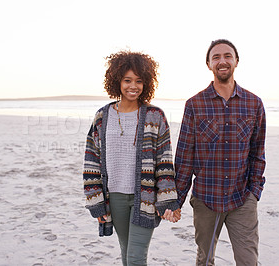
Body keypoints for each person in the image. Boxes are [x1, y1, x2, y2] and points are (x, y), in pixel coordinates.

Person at [83, 50, 181, 265]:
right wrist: (97, 203)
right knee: (127, 254)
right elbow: (91, 159)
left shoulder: (155, 116)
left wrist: (167, 200)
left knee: (136, 257)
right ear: (117, 81)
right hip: (114, 197)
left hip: (145, 197)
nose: (133, 86)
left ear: (146, 83)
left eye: (138, 81)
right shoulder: (102, 116)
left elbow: (164, 161)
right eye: (127, 80)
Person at [175, 39, 266, 266]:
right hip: (207, 199)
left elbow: (257, 152)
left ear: (236, 61)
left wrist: (254, 191)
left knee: (248, 261)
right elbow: (184, 157)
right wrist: (176, 200)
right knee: (205, 260)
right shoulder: (194, 105)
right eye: (216, 57)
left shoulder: (254, 104)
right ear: (208, 64)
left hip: (242, 198)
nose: (222, 61)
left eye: (227, 56)